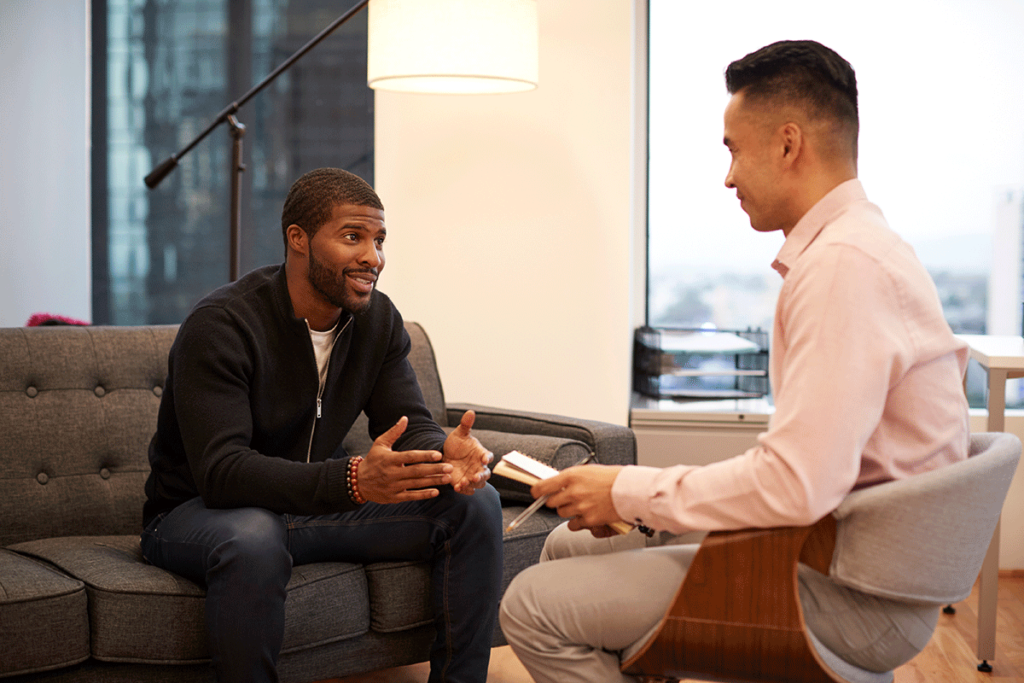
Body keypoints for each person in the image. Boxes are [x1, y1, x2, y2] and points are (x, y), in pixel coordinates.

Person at [499, 40, 970, 682]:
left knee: (530, 605)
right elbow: (803, 471)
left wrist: (631, 491)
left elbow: (797, 485)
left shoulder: (842, 268)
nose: (727, 176)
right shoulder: (860, 248)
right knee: (564, 543)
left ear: (787, 143)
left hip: (849, 586)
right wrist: (633, 502)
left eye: (732, 150)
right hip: (841, 546)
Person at [141, 167, 504, 683]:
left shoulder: (377, 321)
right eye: (353, 237)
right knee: (253, 534)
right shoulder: (222, 325)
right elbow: (222, 473)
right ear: (299, 239)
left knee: (473, 503)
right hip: (197, 514)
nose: (372, 258)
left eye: (379, 240)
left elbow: (409, 425)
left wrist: (443, 451)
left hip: (308, 509)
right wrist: (353, 479)